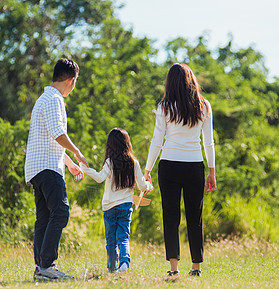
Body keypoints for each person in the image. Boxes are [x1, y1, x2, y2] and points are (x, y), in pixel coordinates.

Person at [144, 63, 216, 277]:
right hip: (195, 166)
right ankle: (196, 267)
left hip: (169, 166)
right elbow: (208, 142)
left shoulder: (164, 106)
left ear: (170, 82)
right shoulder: (204, 106)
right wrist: (211, 170)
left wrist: (148, 169)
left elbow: (157, 141)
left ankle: (174, 268)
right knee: (195, 217)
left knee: (171, 217)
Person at [25, 58, 88, 281]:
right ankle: (47, 266)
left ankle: (40, 268)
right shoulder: (55, 99)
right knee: (60, 212)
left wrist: (69, 164)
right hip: (48, 168)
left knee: (44, 218)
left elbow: (47, 139)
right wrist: (77, 152)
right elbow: (56, 132)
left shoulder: (42, 99)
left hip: (37, 167)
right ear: (71, 81)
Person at [79, 128, 153, 272]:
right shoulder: (134, 162)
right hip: (126, 205)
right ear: (127, 143)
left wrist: (84, 167)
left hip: (109, 207)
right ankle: (124, 264)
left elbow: (100, 178)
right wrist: (149, 185)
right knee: (123, 237)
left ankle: (112, 268)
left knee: (111, 240)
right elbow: (142, 185)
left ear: (110, 144)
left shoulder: (109, 162)